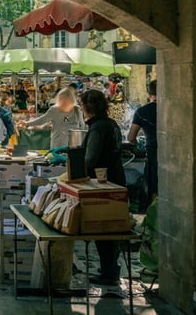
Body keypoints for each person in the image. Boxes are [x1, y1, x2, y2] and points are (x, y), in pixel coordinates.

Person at [80, 89, 126, 286]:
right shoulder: (111, 124)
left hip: (103, 182)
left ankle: (109, 272)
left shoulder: (98, 128)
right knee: (111, 227)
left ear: (88, 107)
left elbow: (90, 159)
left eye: (82, 106)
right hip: (116, 178)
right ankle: (110, 268)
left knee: (103, 227)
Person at [17, 88, 83, 149]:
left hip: (73, 143)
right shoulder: (54, 109)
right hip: (57, 143)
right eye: (61, 99)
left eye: (66, 100)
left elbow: (82, 125)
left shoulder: (77, 109)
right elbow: (43, 119)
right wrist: (27, 124)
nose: (64, 102)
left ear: (71, 100)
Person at [128, 80, 157, 201]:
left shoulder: (142, 112)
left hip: (153, 153)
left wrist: (138, 145)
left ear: (149, 94)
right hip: (176, 153)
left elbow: (130, 137)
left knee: (155, 188)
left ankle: (156, 216)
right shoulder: (174, 109)